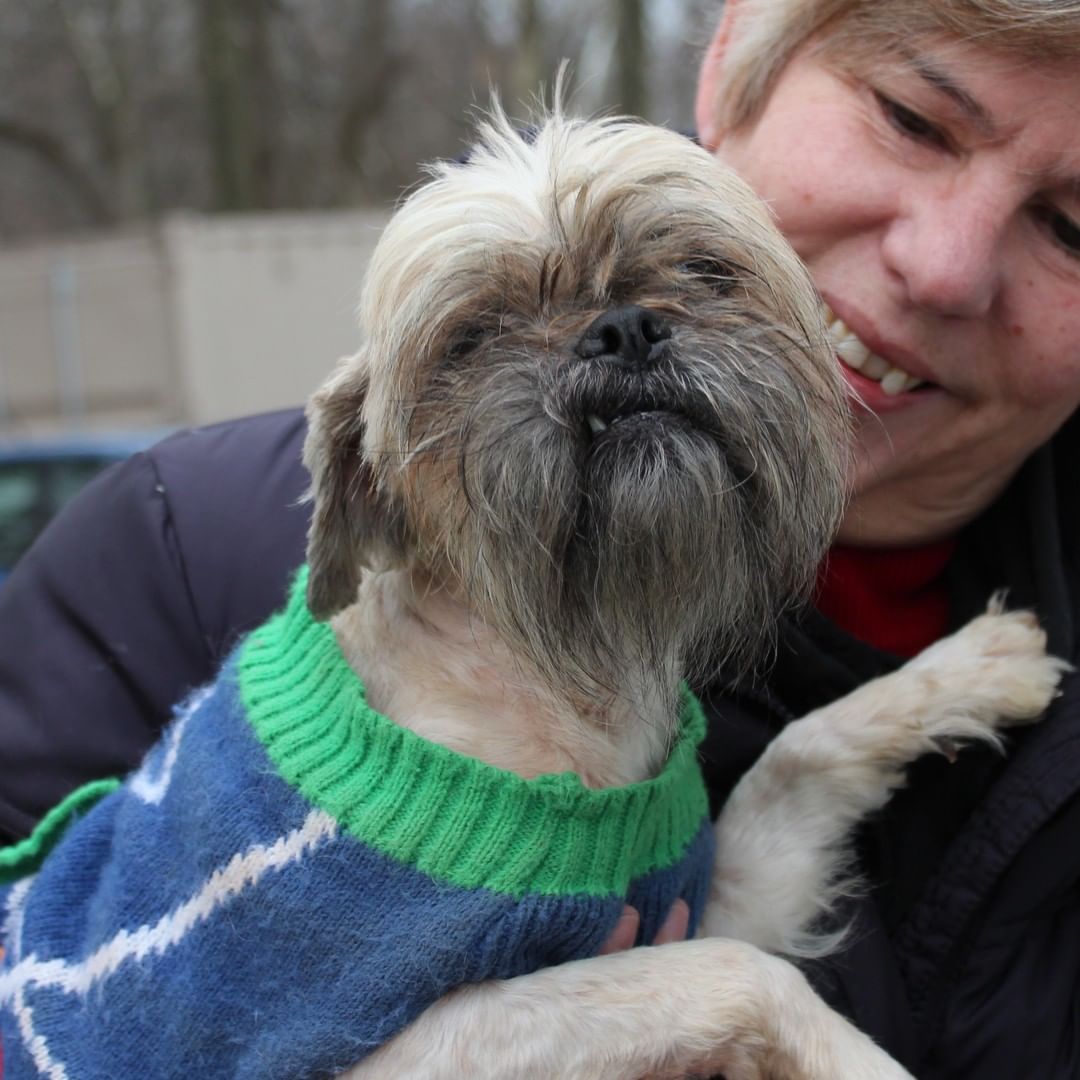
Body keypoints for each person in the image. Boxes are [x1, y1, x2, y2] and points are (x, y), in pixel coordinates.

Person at [2, 0, 1079, 1074]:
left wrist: (841, 754)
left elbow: (669, 928)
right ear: (365, 487)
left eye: (1070, 225)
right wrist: (750, 1004)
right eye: (910, 117)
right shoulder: (191, 569)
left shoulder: (632, 734)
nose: (943, 266)